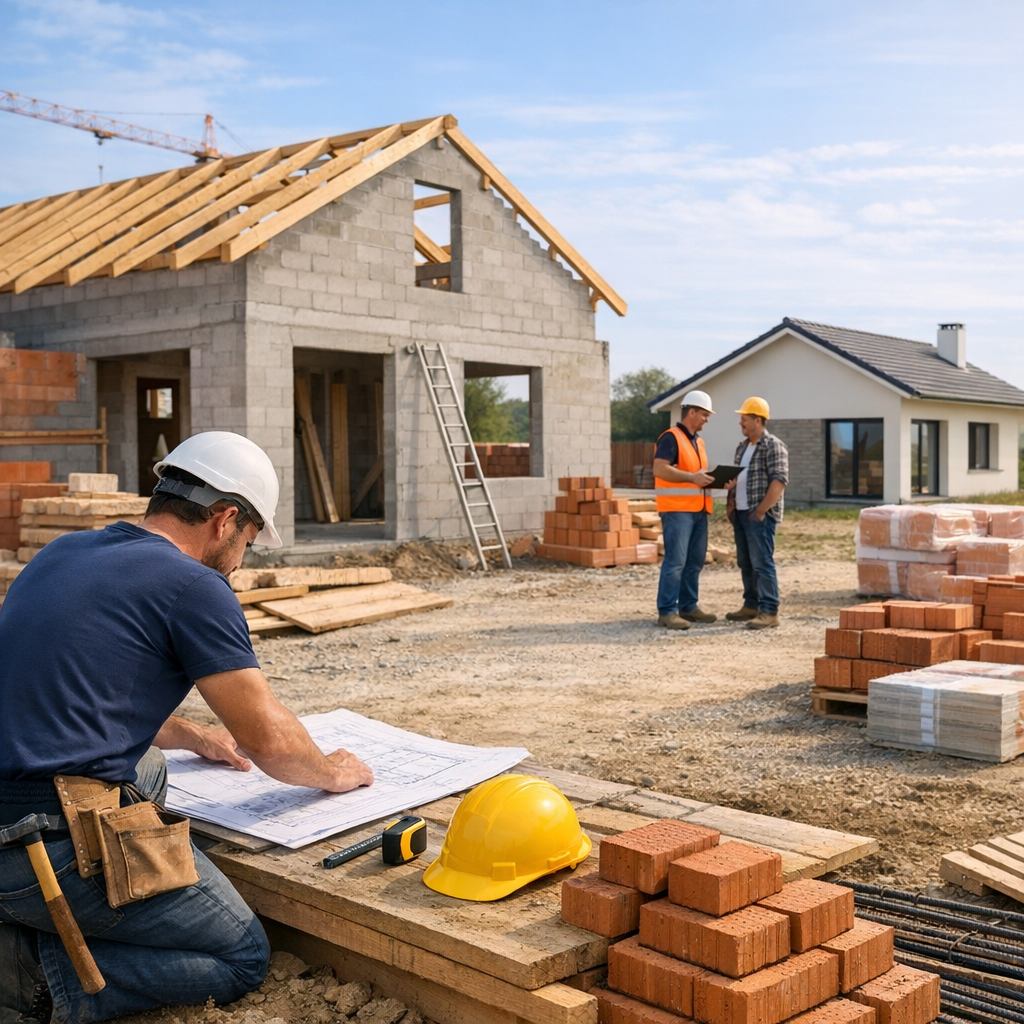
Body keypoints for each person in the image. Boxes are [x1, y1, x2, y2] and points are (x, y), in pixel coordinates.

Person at [0, 431, 374, 1024]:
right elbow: (268, 741)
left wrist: (193, 736)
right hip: (38, 852)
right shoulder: (196, 586)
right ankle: (32, 976)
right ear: (226, 519)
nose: (243, 557)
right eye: (249, 540)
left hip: (9, 816)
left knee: (147, 767)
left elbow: (78, 691)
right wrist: (331, 772)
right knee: (242, 954)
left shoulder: (64, 552)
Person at [652, 389, 716, 629]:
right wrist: (692, 478)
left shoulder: (698, 442)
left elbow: (698, 476)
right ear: (691, 412)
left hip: (699, 510)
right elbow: (660, 469)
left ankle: (688, 607)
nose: (706, 420)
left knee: (695, 561)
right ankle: (667, 611)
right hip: (677, 510)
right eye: (704, 414)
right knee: (676, 561)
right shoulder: (671, 437)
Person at [724, 397, 789, 630]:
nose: (740, 422)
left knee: (762, 563)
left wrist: (761, 511)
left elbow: (779, 482)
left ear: (758, 420)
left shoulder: (773, 445)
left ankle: (769, 611)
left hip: (759, 515)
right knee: (746, 562)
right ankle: (751, 605)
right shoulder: (742, 447)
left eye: (744, 418)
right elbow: (743, 479)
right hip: (741, 514)